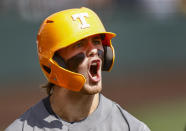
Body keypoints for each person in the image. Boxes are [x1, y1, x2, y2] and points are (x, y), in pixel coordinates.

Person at [6, 7, 151, 131]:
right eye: (79, 44)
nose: (94, 50)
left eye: (96, 42)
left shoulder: (131, 128)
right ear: (56, 61)